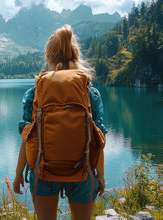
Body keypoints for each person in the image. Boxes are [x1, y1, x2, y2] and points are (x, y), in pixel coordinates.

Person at [13, 24, 108, 220]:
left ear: (48, 57)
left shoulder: (35, 92)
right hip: (83, 170)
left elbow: (27, 136)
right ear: (76, 55)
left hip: (42, 171)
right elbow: (98, 140)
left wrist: (18, 173)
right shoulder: (90, 92)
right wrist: (99, 175)